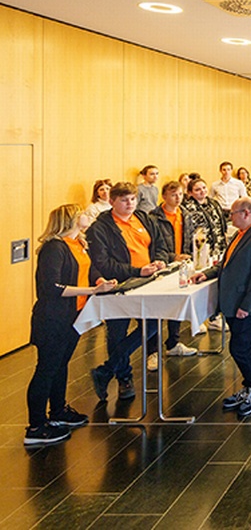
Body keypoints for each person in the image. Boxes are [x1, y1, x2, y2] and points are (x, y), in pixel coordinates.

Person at [25, 205, 116, 446]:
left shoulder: (78, 244)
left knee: (61, 365)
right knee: (46, 369)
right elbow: (52, 287)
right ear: (72, 219)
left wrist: (99, 280)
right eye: (84, 214)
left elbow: (90, 270)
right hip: (52, 319)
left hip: (72, 317)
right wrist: (92, 291)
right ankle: (35, 426)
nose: (89, 215)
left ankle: (57, 412)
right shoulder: (54, 248)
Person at [191, 197, 251, 417]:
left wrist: (247, 305)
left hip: (249, 304)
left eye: (233, 213)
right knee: (245, 345)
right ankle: (250, 385)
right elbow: (226, 263)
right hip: (234, 301)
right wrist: (207, 273)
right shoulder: (241, 235)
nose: (230, 217)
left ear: (246, 213)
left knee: (239, 347)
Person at [88, 182, 171, 401]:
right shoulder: (101, 227)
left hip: (147, 282)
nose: (129, 204)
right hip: (120, 285)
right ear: (112, 201)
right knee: (117, 333)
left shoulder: (143, 218)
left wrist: (160, 260)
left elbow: (160, 244)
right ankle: (124, 378)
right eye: (124, 200)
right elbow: (103, 263)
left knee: (152, 324)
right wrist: (136, 270)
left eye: (132, 199)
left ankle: (106, 370)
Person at [148, 180, 199, 370]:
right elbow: (154, 245)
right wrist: (172, 256)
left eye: (179, 194)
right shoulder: (154, 217)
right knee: (156, 309)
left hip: (182, 264)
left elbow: (190, 238)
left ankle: (173, 342)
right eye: (173, 195)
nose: (177, 198)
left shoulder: (185, 214)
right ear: (164, 196)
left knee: (177, 303)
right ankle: (152, 351)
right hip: (163, 264)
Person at [182, 178, 228, 254]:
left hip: (219, 245)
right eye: (197, 190)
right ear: (190, 193)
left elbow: (222, 223)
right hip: (201, 248)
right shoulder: (187, 208)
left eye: (204, 188)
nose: (202, 191)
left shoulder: (214, 203)